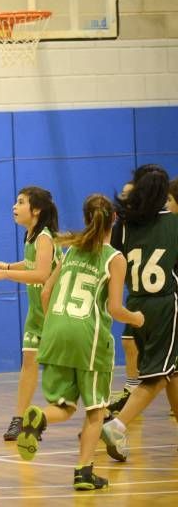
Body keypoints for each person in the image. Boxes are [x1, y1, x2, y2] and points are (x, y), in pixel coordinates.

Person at [14, 194, 144, 491]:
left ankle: (39, 416)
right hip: (88, 338)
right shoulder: (114, 257)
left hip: (55, 331)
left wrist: (55, 326)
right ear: (114, 219)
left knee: (64, 405)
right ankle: (83, 473)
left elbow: (46, 293)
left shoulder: (71, 251)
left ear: (87, 219)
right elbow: (114, 309)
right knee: (96, 411)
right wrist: (136, 318)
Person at [101, 164, 178, 462]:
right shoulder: (173, 224)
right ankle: (118, 426)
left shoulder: (124, 226)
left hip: (135, 304)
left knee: (171, 371)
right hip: (163, 306)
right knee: (156, 378)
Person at [0, 186, 60, 441]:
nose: (15, 207)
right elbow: (31, 264)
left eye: (21, 202)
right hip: (37, 313)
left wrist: (6, 274)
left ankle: (99, 415)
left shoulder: (45, 236)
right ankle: (20, 418)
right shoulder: (31, 236)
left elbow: (41, 273)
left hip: (56, 314)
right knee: (28, 363)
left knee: (67, 370)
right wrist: (7, 265)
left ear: (36, 210)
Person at [107, 181, 140, 415]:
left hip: (163, 292)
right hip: (138, 292)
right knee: (129, 341)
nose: (124, 197)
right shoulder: (121, 226)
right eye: (123, 194)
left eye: (129, 194)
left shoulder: (158, 225)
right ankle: (131, 388)